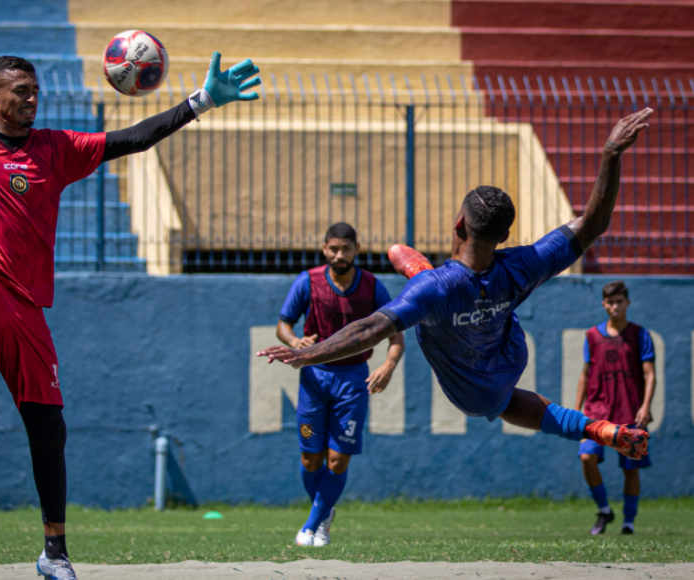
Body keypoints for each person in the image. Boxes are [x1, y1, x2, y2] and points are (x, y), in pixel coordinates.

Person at [0, 53, 261, 580]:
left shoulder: (55, 148)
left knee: (49, 427)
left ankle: (54, 553)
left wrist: (201, 100)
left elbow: (132, 138)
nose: (30, 98)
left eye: (35, 90)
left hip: (25, 305)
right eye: (19, 90)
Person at [258, 109, 654, 471]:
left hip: (470, 384)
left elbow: (368, 330)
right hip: (507, 352)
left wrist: (308, 354)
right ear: (504, 235)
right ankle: (598, 429)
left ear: (459, 221)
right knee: (498, 374)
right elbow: (592, 225)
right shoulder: (523, 261)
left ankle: (420, 276)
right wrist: (611, 154)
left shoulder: (436, 289)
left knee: (428, 300)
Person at [277, 223, 405, 547]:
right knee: (311, 459)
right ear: (324, 250)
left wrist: (388, 365)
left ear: (356, 250)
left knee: (337, 460)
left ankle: (311, 526)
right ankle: (324, 514)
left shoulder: (373, 288)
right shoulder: (308, 282)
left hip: (352, 380)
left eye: (345, 249)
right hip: (314, 377)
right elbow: (283, 325)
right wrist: (295, 341)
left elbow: (397, 338)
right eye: (333, 249)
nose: (339, 255)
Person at [575, 280, 655, 535]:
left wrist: (645, 406)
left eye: (620, 301)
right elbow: (585, 375)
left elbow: (650, 374)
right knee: (587, 458)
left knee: (630, 469)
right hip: (596, 413)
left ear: (627, 303)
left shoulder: (640, 335)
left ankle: (629, 521)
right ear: (604, 305)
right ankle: (604, 510)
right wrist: (577, 411)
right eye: (610, 302)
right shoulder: (592, 336)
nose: (615, 306)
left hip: (629, 412)